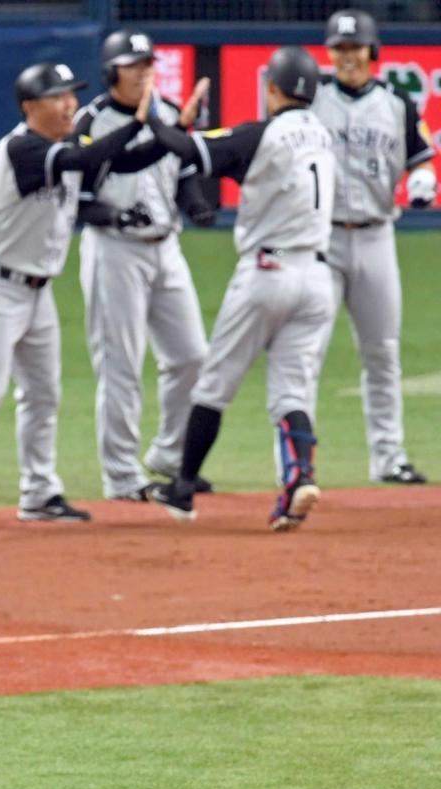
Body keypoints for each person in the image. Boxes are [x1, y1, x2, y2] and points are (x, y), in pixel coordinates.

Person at [0, 61, 170, 529]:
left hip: (38, 294)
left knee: (44, 394)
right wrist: (138, 123)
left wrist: (168, 135)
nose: (70, 104)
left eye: (71, 94)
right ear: (30, 107)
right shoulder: (21, 148)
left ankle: (39, 493)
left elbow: (117, 160)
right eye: (59, 96)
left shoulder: (65, 148)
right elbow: (83, 160)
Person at [148, 46, 337, 531]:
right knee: (292, 390)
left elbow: (189, 150)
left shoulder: (262, 134)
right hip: (318, 278)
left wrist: (159, 118)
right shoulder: (323, 135)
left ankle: (184, 489)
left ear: (271, 88)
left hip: (267, 273)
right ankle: (300, 479)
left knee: (213, 386)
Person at [74, 29, 215, 502]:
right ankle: (120, 476)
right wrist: (114, 214)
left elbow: (186, 174)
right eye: (133, 65)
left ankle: (169, 456)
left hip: (166, 249)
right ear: (112, 71)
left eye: (148, 64)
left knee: (193, 356)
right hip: (114, 251)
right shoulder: (91, 121)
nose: (143, 72)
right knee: (121, 366)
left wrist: (196, 207)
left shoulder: (170, 113)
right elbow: (78, 200)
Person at [311, 9, 436, 485]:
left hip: (376, 237)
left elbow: (421, 161)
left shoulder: (397, 105)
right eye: (339, 48)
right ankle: (298, 463)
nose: (347, 56)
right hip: (320, 240)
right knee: (308, 353)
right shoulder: (312, 100)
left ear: (372, 52)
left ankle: (389, 459)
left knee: (382, 352)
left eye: (355, 47)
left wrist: (423, 182)